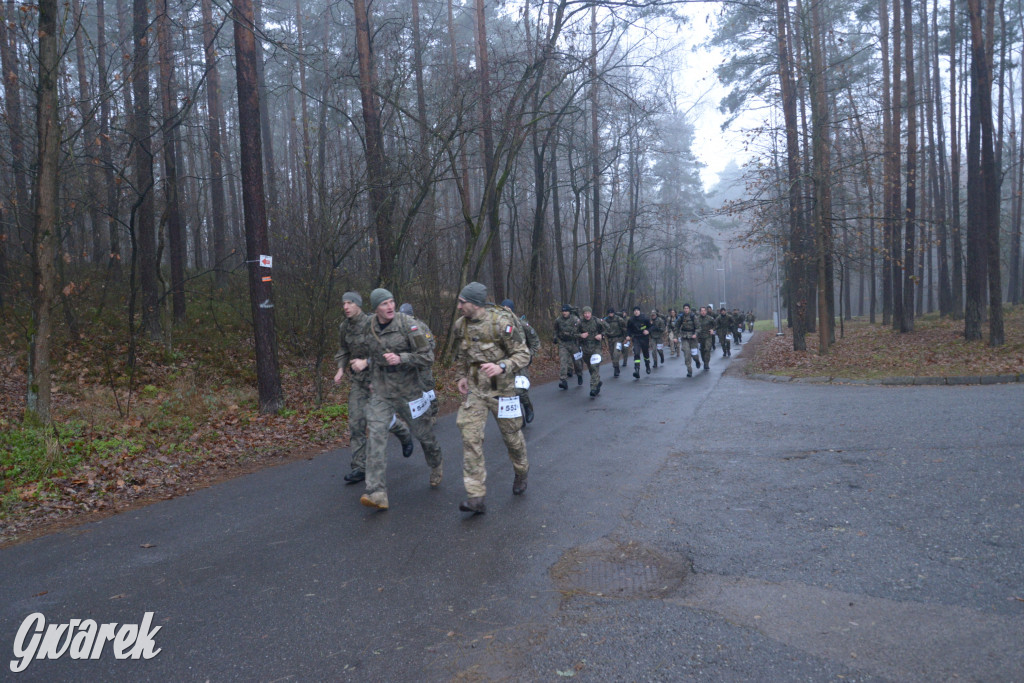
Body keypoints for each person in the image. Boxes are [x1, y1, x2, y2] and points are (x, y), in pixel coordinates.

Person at [358, 288, 444, 511]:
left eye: (391, 302)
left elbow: (427, 356)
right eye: (384, 303)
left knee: (424, 436)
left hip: (409, 392)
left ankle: (436, 463)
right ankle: (376, 491)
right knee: (376, 435)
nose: (390, 307)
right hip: (382, 391)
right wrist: (367, 370)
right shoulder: (369, 327)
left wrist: (401, 357)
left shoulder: (408, 324)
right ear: (375, 308)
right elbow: (372, 355)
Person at [454, 282, 532, 515]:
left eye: (462, 302)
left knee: (512, 438)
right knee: (470, 437)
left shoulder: (501, 323)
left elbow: (523, 354)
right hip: (477, 391)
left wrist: (502, 365)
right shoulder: (461, 325)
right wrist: (461, 376)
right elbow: (462, 354)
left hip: (503, 390)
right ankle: (476, 496)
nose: (458, 307)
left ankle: (521, 471)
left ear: (475, 303)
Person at [333, 291, 414, 485]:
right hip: (358, 381)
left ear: (358, 305)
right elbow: (343, 349)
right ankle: (359, 467)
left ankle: (403, 433)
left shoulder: (373, 324)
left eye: (350, 303)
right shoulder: (344, 327)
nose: (346, 307)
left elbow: (386, 350)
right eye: (344, 303)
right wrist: (340, 369)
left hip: (378, 378)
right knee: (356, 423)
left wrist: (366, 362)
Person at [501, 298, 538, 424]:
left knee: (520, 390)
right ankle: (518, 418)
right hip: (504, 364)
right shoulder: (498, 326)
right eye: (503, 309)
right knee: (508, 393)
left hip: (520, 361)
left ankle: (528, 407)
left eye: (508, 309)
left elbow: (535, 341)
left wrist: (530, 354)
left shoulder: (521, 324)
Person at [399, 302, 438, 419]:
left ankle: (433, 413)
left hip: (422, 365)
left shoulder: (421, 326)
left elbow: (431, 344)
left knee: (427, 389)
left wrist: (420, 353)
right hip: (409, 365)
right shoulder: (401, 329)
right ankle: (418, 416)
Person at [577, 306, 607, 396]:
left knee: (594, 367)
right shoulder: (579, 323)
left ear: (591, 313)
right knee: (591, 368)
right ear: (583, 314)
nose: (587, 315)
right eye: (585, 313)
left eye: (588, 313)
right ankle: (597, 382)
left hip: (596, 348)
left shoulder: (597, 321)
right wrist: (580, 335)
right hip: (585, 349)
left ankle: (593, 388)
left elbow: (606, 329)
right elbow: (572, 333)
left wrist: (601, 335)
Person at [553, 304, 582, 389]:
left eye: (566, 311)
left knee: (577, 362)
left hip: (573, 343)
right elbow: (555, 330)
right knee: (563, 362)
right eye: (563, 311)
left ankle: (579, 374)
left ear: (569, 312)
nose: (564, 313)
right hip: (563, 344)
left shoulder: (575, 319)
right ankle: (563, 381)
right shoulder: (558, 320)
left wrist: (581, 338)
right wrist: (555, 338)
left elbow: (581, 329)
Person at [624, 306, 652, 379]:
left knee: (646, 353)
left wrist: (648, 331)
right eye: (635, 311)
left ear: (639, 311)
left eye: (637, 310)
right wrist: (628, 336)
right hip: (636, 338)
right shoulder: (631, 320)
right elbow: (629, 329)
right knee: (636, 353)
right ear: (633, 312)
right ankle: (637, 370)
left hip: (644, 338)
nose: (636, 312)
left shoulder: (645, 318)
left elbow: (651, 327)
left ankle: (647, 366)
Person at [676, 303, 699, 377]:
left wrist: (696, 334)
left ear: (689, 309)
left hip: (693, 338)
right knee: (686, 354)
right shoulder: (681, 317)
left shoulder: (693, 317)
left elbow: (698, 327)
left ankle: (697, 361)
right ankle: (689, 370)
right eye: (685, 308)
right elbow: (676, 327)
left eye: (687, 308)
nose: (686, 310)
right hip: (684, 338)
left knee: (694, 355)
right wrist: (675, 337)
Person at [602, 307, 626, 378]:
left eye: (612, 313)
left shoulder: (619, 319)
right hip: (610, 339)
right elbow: (603, 328)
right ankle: (616, 366)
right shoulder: (606, 320)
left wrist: (626, 338)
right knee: (612, 355)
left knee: (616, 354)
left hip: (618, 339)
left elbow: (624, 328)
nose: (610, 314)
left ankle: (616, 369)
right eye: (609, 313)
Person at [696, 305, 715, 370]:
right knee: (702, 350)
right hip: (700, 337)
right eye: (702, 311)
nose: (703, 312)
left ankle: (706, 363)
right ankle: (704, 361)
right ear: (700, 312)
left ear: (706, 311)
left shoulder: (710, 318)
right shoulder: (697, 319)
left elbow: (715, 325)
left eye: (704, 311)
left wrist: (713, 329)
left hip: (708, 336)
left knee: (707, 349)